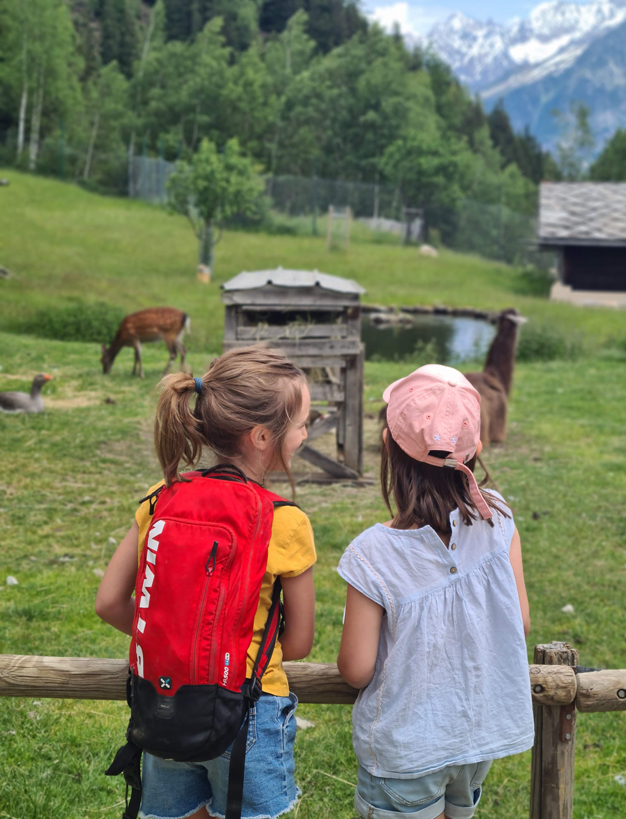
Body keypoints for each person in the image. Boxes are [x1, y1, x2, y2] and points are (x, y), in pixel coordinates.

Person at [96, 346, 317, 819]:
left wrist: (177, 645)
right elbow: (298, 642)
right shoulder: (287, 521)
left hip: (165, 701)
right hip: (250, 714)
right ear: (262, 435)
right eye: (300, 423)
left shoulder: (162, 497)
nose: (304, 433)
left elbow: (109, 603)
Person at [337, 364, 533, 819]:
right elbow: (519, 621)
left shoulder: (373, 552)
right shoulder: (498, 519)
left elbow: (356, 668)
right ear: (476, 449)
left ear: (387, 445)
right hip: (474, 745)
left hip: (405, 754)